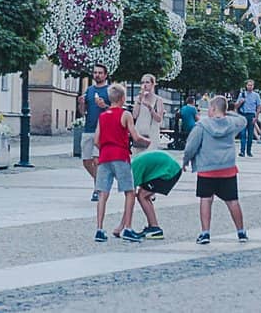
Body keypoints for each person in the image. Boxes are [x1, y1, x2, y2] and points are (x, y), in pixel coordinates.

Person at [182, 95, 249, 244]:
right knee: (232, 201)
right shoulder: (232, 123)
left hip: (207, 169)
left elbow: (191, 147)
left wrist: (185, 161)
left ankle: (205, 233)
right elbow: (244, 121)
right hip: (227, 169)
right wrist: (227, 113)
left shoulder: (202, 126)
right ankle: (241, 231)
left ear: (212, 109)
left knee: (206, 200)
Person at [93, 84, 149, 243]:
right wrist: (147, 141)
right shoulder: (125, 115)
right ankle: (128, 228)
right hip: (120, 156)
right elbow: (136, 137)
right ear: (123, 98)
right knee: (129, 191)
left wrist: (105, 148)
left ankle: (99, 229)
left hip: (104, 157)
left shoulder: (102, 116)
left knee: (102, 193)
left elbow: (96, 140)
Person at [78, 63, 113, 201]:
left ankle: (97, 190)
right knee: (86, 161)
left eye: (100, 73)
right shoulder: (89, 90)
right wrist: (81, 103)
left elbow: (114, 111)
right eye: (95, 72)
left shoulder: (110, 90)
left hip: (103, 130)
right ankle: (102, 182)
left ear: (105, 75)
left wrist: (104, 106)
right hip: (88, 128)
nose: (97, 75)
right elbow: (83, 112)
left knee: (96, 160)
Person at [131, 149, 183, 239]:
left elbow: (130, 199)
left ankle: (155, 227)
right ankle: (153, 226)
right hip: (169, 168)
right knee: (144, 196)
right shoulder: (134, 163)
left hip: (169, 171)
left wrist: (121, 227)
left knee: (141, 196)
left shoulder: (133, 169)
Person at [132, 73, 164, 152]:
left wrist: (150, 108)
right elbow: (134, 115)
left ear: (153, 84)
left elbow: (159, 119)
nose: (144, 85)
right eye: (142, 82)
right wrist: (139, 100)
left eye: (147, 82)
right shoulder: (139, 98)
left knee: (150, 157)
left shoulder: (158, 100)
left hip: (152, 133)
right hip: (140, 132)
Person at [235, 80, 261, 158]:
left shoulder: (256, 95)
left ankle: (249, 151)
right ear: (246, 86)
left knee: (250, 134)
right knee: (243, 134)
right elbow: (236, 106)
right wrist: (240, 102)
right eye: (248, 85)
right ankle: (242, 151)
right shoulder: (242, 94)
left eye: (251, 85)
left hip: (251, 115)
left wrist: (256, 117)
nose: (250, 87)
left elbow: (259, 106)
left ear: (253, 86)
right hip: (243, 115)